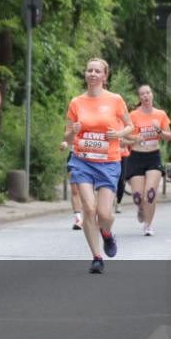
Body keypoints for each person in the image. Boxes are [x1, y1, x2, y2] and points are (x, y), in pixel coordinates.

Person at [65, 59, 133, 275]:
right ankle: (96, 257)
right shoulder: (76, 102)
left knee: (105, 214)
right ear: (85, 74)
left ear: (105, 76)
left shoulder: (115, 100)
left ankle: (107, 233)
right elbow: (67, 135)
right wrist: (72, 131)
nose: (92, 74)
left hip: (108, 162)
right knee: (89, 209)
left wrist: (118, 134)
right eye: (89, 70)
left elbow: (130, 125)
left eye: (97, 71)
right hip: (82, 160)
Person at [127, 85, 171, 236]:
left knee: (150, 194)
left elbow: (168, 136)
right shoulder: (133, 115)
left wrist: (159, 130)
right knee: (138, 197)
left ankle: (148, 225)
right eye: (142, 94)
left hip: (153, 156)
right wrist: (135, 138)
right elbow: (125, 137)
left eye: (148, 93)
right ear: (139, 98)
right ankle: (140, 208)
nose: (145, 96)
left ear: (152, 95)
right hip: (136, 157)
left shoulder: (160, 114)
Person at [58, 141, 84, 230]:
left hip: (91, 158)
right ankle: (78, 219)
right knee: (75, 190)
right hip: (74, 157)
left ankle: (91, 217)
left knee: (89, 190)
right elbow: (68, 137)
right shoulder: (72, 126)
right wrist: (65, 143)